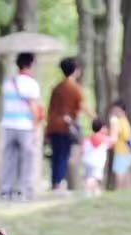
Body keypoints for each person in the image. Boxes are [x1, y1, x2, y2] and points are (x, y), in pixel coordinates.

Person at [0, 52, 42, 202]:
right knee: (27, 160)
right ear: (31, 65)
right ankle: (25, 191)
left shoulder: (8, 82)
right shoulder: (32, 84)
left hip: (8, 125)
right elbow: (34, 108)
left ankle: (6, 190)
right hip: (25, 126)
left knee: (9, 159)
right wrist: (36, 127)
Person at [46, 57, 91, 191]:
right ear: (75, 70)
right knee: (63, 154)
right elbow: (82, 106)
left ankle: (55, 181)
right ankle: (59, 182)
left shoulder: (57, 88)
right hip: (66, 127)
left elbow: (51, 108)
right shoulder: (75, 88)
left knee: (56, 154)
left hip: (54, 125)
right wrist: (95, 119)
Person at [108, 101, 131, 189]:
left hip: (121, 151)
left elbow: (114, 137)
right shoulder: (125, 121)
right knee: (124, 173)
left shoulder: (118, 122)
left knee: (119, 174)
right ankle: (125, 191)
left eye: (116, 110)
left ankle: (120, 191)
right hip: (128, 151)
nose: (114, 112)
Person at [81, 118, 112, 196]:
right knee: (93, 177)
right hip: (96, 161)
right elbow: (111, 142)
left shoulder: (88, 138)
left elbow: (83, 148)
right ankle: (87, 192)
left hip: (86, 160)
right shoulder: (104, 138)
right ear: (102, 128)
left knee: (90, 176)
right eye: (105, 128)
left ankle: (96, 192)